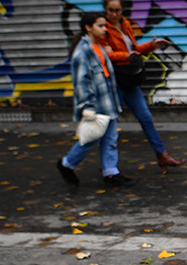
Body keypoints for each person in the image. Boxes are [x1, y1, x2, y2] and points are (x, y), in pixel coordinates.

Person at [102, 0, 186, 173]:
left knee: (146, 118)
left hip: (129, 80)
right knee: (109, 125)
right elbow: (106, 54)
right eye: (110, 10)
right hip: (115, 82)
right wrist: (125, 55)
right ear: (105, 10)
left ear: (123, 10)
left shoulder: (125, 25)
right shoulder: (103, 29)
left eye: (117, 10)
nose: (114, 14)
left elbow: (134, 48)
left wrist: (151, 46)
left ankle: (162, 155)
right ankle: (95, 164)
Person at [56, 13, 132, 188]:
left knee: (111, 138)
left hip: (108, 102)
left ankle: (111, 173)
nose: (105, 29)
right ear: (88, 27)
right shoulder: (82, 53)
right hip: (96, 105)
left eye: (105, 26)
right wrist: (87, 107)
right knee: (92, 139)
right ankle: (67, 164)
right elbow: (81, 82)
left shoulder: (98, 47)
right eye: (100, 26)